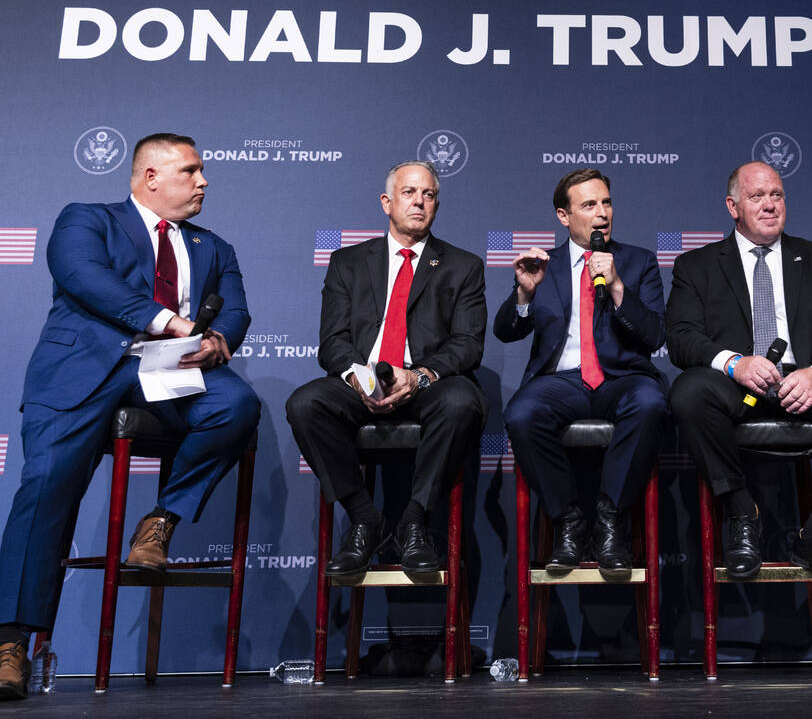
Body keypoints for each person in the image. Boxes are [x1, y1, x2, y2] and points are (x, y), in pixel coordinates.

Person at [0, 134, 260, 700]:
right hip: (83, 370)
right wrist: (168, 321)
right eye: (190, 171)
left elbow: (235, 308)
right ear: (149, 177)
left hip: (169, 376)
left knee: (237, 405)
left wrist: (216, 342)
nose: (203, 181)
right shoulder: (87, 219)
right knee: (45, 487)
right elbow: (85, 277)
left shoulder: (214, 246)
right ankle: (10, 643)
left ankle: (161, 520)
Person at [666, 161, 812, 580]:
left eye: (777, 195)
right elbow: (682, 338)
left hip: (805, 386)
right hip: (741, 388)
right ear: (733, 206)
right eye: (758, 197)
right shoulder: (695, 266)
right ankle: (742, 515)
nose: (770, 204)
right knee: (688, 392)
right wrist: (734, 363)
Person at [286, 160, 485, 580]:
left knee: (463, 399)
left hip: (425, 382)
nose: (419, 202)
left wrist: (422, 376)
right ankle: (364, 518)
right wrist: (357, 375)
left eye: (428, 194)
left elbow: (467, 344)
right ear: (387, 202)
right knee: (305, 403)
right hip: (365, 377)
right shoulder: (347, 262)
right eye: (409, 192)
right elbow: (332, 341)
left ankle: (415, 521)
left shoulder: (462, 266)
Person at [494, 169, 667, 580]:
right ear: (563, 215)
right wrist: (524, 293)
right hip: (562, 380)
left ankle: (610, 520)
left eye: (606, 202)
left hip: (622, 378)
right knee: (521, 415)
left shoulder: (639, 261)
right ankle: (568, 520)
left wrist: (620, 287)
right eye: (589, 205)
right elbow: (506, 330)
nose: (602, 213)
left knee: (651, 403)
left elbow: (656, 333)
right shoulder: (544, 265)